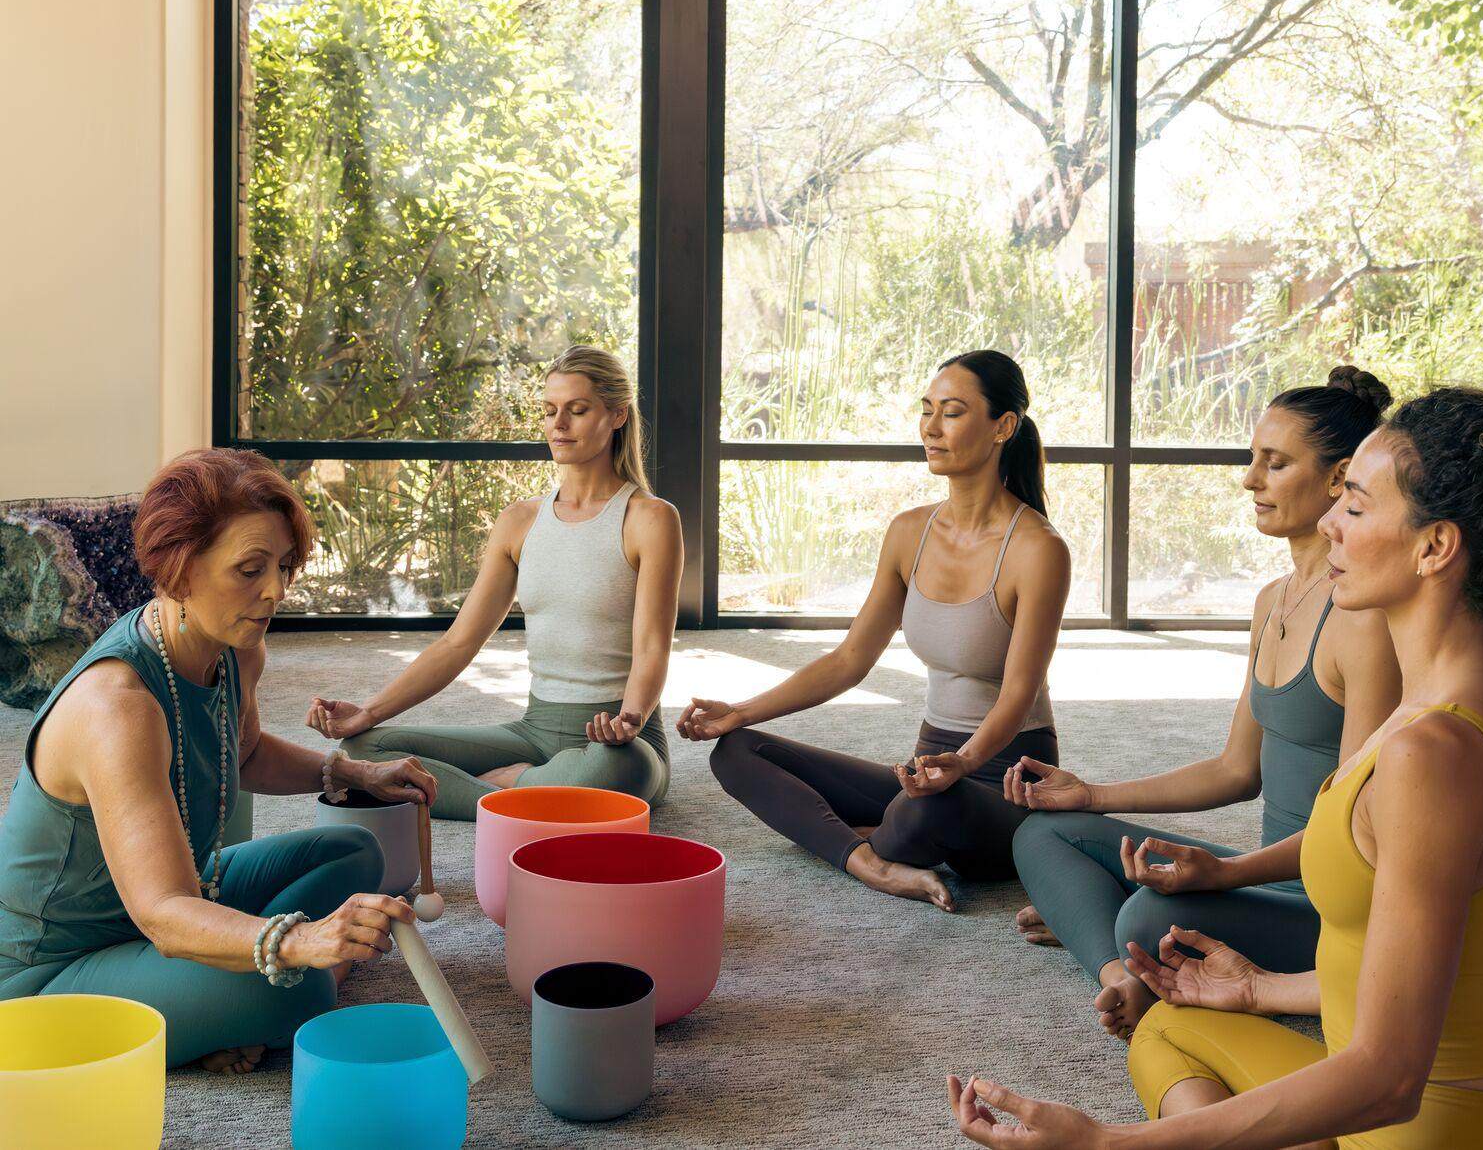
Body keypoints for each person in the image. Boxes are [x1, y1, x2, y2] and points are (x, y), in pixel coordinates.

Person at [946, 384, 1483, 1149]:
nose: (1331, 521)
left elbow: (1389, 1076)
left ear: (1435, 546)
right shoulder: (1446, 707)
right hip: (1396, 1086)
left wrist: (1107, 1143)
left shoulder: (1431, 753)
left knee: (1164, 1018)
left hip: (1417, 1128)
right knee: (1167, 1026)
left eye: (1358, 506)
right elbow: (1411, 971)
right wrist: (1256, 988)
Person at [0, 449, 434, 1073]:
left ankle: (211, 999)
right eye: (250, 569)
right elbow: (164, 914)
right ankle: (221, 1004)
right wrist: (302, 941)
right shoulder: (118, 706)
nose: (276, 591)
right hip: (49, 974)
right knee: (299, 985)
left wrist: (356, 774)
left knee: (357, 854)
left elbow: (246, 753)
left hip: (182, 890)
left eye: (283, 566)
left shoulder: (235, 647)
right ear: (179, 571)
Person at [1005, 368, 1400, 1040]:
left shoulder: (1362, 618)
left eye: (1275, 463)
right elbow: (1234, 770)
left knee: (1145, 915)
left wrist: (1222, 874)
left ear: (1340, 479)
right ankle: (1121, 976)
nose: (1250, 479)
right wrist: (1092, 793)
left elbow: (1354, 829)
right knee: (1045, 832)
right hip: (1267, 873)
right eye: (1254, 460)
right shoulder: (1272, 599)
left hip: (1327, 903)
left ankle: (1121, 943)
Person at [682, 350, 1069, 911]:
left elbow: (1017, 693)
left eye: (953, 413)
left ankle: (867, 835)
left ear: (1003, 426)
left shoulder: (1038, 548)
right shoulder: (909, 532)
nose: (931, 428)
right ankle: (870, 861)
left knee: (920, 811)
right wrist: (741, 711)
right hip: (926, 769)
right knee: (737, 751)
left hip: (1004, 780)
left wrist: (962, 762)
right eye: (927, 410)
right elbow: (849, 660)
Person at [312, 346, 683, 820]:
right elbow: (458, 642)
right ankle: (526, 793)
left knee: (617, 774)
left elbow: (654, 647)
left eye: (577, 410)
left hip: (618, 741)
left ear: (616, 415)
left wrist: (630, 718)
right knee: (363, 746)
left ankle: (506, 787)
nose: (558, 425)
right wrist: (368, 712)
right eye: (549, 411)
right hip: (534, 728)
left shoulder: (649, 519)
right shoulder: (519, 522)